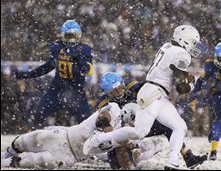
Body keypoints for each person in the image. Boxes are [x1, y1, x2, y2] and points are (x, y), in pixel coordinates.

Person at [83, 24, 204, 169]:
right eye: (193, 42)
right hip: (154, 94)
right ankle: (99, 138)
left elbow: (171, 73)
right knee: (138, 132)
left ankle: (173, 161)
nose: (193, 46)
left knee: (179, 126)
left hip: (156, 93)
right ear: (185, 40)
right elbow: (180, 87)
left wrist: (185, 78)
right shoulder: (181, 53)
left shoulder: (167, 47)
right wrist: (190, 84)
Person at [93, 72, 207, 169]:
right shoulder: (105, 103)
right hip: (122, 133)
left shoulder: (133, 87)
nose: (119, 92)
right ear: (108, 93)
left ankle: (188, 156)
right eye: (114, 91)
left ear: (123, 84)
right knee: (119, 162)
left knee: (168, 125)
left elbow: (151, 87)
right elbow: (102, 122)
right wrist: (112, 134)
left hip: (141, 126)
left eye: (120, 88)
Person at [0, 101, 161, 169]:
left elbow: (122, 157)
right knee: (29, 140)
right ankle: (7, 152)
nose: (132, 126)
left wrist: (133, 157)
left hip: (71, 157)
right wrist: (109, 132)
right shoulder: (115, 109)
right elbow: (102, 117)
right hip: (64, 136)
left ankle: (6, 162)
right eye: (133, 122)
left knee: (33, 161)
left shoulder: (127, 137)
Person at [14, 20, 94, 128]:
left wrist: (78, 58)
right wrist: (28, 75)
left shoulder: (85, 49)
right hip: (57, 89)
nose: (72, 39)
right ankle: (41, 140)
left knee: (87, 123)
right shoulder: (57, 47)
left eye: (74, 35)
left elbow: (88, 71)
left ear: (79, 35)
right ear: (63, 35)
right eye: (69, 35)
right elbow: (48, 67)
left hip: (76, 90)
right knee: (39, 114)